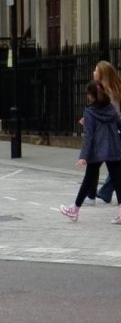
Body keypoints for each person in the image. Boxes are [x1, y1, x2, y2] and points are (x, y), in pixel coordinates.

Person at [60, 81, 121, 224]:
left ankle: (74, 210)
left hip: (97, 150)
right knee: (118, 181)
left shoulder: (90, 112)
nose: (87, 96)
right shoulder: (110, 108)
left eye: (88, 94)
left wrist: (83, 157)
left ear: (92, 96)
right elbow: (118, 125)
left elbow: (89, 137)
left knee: (88, 180)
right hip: (113, 147)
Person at [86, 61, 121, 206]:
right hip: (115, 131)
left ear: (102, 74)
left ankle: (91, 195)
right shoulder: (114, 89)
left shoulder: (105, 92)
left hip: (108, 133)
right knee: (113, 167)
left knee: (95, 163)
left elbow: (106, 113)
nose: (93, 72)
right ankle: (100, 194)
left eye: (96, 70)